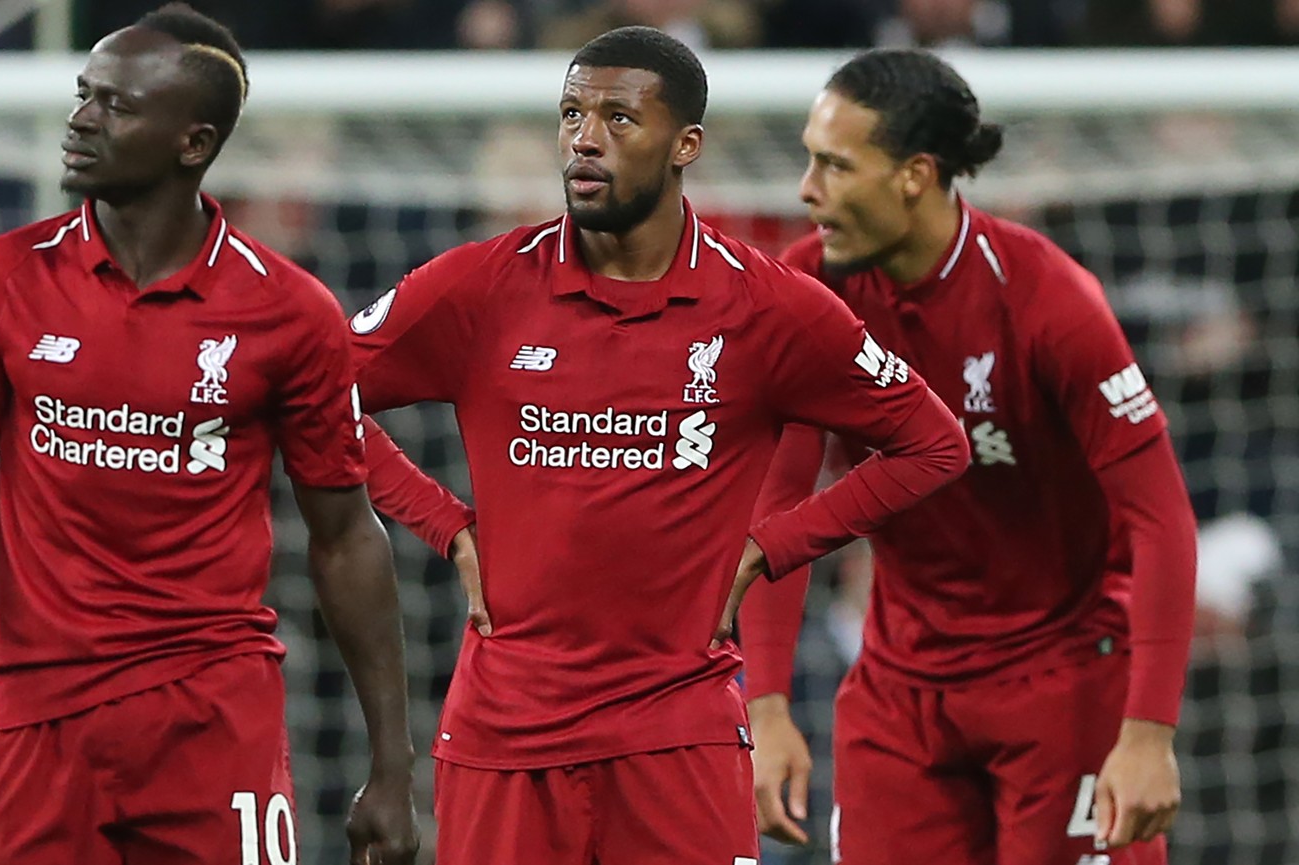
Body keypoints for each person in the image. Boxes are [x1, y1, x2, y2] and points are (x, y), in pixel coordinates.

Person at [349, 26, 970, 865]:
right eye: (571, 114)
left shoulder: (768, 307)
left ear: (687, 146)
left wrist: (768, 548)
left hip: (681, 733)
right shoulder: (482, 286)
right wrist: (444, 524)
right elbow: (312, 393)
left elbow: (933, 444)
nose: (585, 139)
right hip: (506, 732)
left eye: (618, 118)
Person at [0, 5, 419, 863]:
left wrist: (391, 767)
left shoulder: (288, 312)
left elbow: (348, 536)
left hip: (213, 712)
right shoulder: (1, 277)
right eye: (82, 94)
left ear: (193, 143)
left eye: (117, 106)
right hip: (36, 708)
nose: (81, 119)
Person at [738, 48, 1198, 865]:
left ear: (915, 174)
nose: (806, 189)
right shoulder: (808, 295)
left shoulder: (1046, 299)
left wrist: (1148, 732)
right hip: (900, 685)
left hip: (1063, 678)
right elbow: (778, 508)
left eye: (835, 165)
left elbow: (1161, 518)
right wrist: (767, 706)